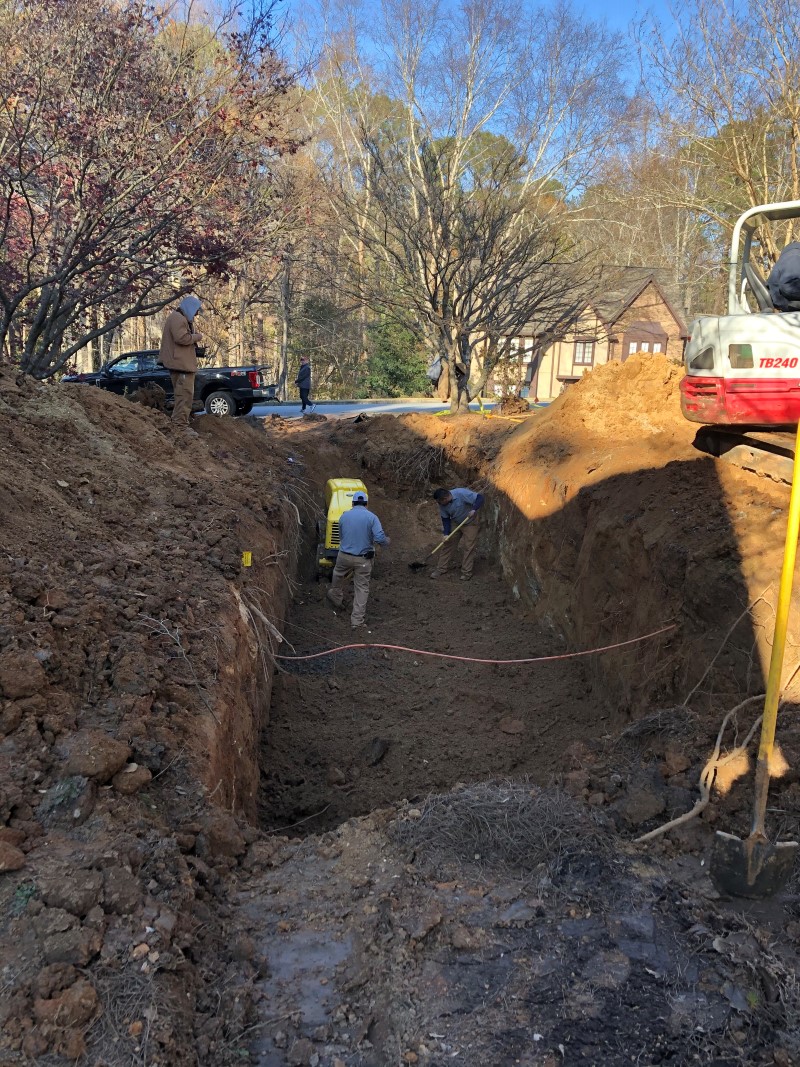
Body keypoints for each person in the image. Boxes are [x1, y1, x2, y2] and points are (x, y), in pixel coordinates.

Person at [326, 491, 389, 630]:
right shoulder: (372, 517)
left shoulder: (344, 516)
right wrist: (385, 542)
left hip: (343, 556)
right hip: (363, 559)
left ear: (352, 503)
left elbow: (341, 536)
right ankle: (357, 621)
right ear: (366, 504)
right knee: (361, 588)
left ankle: (335, 595)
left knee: (337, 574)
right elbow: (379, 538)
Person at [159, 295, 203, 431]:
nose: (196, 314)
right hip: (181, 365)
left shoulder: (178, 318)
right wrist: (197, 337)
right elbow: (181, 338)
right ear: (190, 308)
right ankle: (180, 426)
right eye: (196, 310)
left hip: (181, 364)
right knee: (184, 396)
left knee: (184, 396)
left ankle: (180, 423)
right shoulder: (177, 318)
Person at [429, 486, 484, 581]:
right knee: (448, 543)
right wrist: (446, 534)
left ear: (445, 498)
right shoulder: (442, 505)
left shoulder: (461, 493)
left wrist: (474, 509)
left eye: (439, 502)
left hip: (470, 522)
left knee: (469, 547)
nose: (439, 504)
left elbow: (480, 498)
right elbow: (445, 519)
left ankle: (466, 573)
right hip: (455, 522)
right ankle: (441, 568)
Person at [768, 243, 800, 312]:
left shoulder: (787, 257)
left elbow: (772, 283)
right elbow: (788, 286)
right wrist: (784, 305)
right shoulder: (795, 257)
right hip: (787, 301)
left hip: (781, 299)